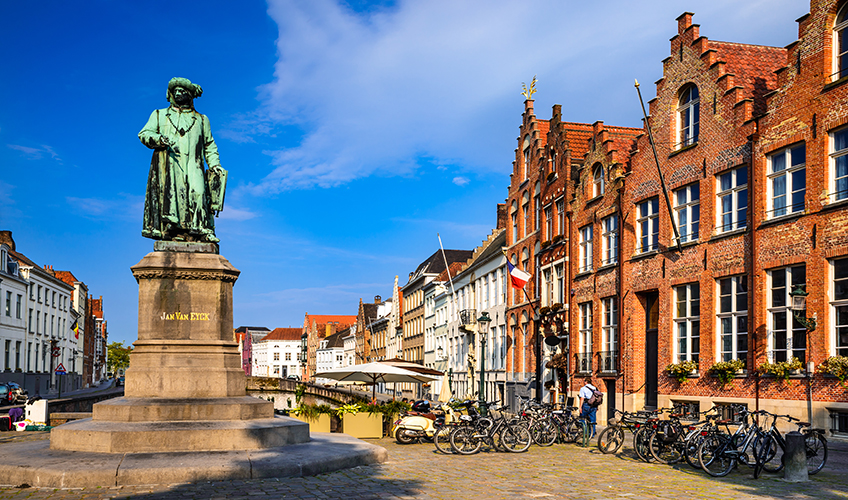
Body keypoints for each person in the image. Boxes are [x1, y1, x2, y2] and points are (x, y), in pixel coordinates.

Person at [139, 77, 226, 243]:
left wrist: (215, 165)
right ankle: (175, 232)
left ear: (190, 95)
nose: (178, 93)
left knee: (199, 193)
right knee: (174, 199)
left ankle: (201, 229)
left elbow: (209, 145)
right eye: (175, 91)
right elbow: (144, 134)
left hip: (195, 163)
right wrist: (159, 139)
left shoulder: (202, 119)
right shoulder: (159, 114)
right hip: (170, 163)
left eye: (182, 91)